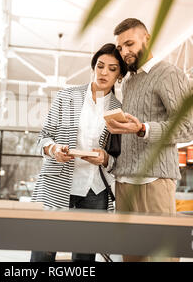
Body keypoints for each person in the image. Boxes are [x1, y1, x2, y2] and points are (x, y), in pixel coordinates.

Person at [106, 18, 193, 262]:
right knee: (131, 258)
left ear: (148, 38)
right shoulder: (130, 81)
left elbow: (186, 128)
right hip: (124, 183)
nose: (124, 52)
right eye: (121, 47)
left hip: (153, 181)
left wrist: (143, 129)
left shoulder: (169, 74)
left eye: (130, 44)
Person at [30, 43, 127, 262]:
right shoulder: (67, 97)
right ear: (93, 67)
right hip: (58, 184)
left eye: (112, 69)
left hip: (95, 190)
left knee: (85, 258)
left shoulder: (120, 109)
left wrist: (105, 159)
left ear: (119, 75)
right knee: (43, 252)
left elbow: (120, 159)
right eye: (100, 66)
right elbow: (43, 137)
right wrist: (54, 149)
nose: (104, 72)